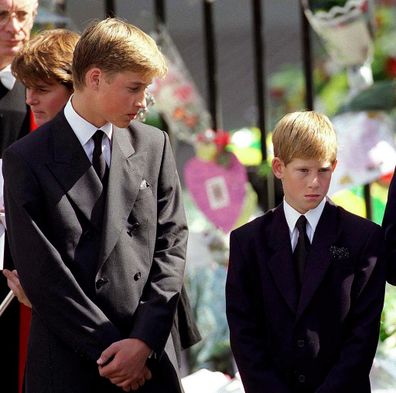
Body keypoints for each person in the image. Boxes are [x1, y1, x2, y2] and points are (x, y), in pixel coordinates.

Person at [3, 18, 189, 393]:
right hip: (71, 361)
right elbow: (43, 274)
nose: (141, 103)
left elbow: (172, 246)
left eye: (145, 89)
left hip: (148, 359)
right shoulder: (26, 158)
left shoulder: (154, 145)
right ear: (95, 78)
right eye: (133, 88)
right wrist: (112, 353)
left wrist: (142, 343)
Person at [225, 111, 386, 393]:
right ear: (278, 168)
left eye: (323, 170)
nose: (315, 182)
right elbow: (244, 331)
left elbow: (363, 333)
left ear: (334, 167)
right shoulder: (247, 242)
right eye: (303, 170)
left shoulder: (363, 237)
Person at [0, 1, 37, 392]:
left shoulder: (38, 84)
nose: (14, 27)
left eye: (23, 15)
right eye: (1, 16)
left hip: (19, 254)